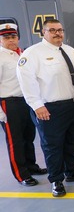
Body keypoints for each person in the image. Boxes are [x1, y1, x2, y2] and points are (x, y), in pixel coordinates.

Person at [16, 19, 74, 198]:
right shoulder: (32, 54)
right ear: (43, 32)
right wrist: (37, 106)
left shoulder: (70, 50)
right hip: (51, 108)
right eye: (52, 30)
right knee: (53, 145)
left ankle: (72, 171)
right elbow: (26, 82)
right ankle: (56, 180)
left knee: (73, 140)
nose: (57, 33)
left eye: (60, 30)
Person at [0, 23, 47, 187]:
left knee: (28, 137)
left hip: (27, 101)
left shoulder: (23, 54)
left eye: (13, 37)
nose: (11, 40)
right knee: (15, 141)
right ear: (0, 39)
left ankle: (31, 166)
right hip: (9, 102)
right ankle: (21, 175)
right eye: (6, 37)